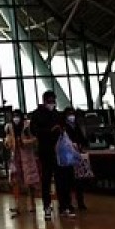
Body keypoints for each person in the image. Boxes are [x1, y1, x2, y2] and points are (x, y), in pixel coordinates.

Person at [30, 90, 74, 220]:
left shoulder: (56, 114)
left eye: (53, 101)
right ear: (44, 101)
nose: (52, 103)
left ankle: (64, 206)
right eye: (49, 101)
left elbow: (63, 128)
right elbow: (34, 131)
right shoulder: (37, 115)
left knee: (61, 179)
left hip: (58, 152)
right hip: (45, 151)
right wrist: (49, 131)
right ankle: (47, 207)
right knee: (46, 180)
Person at [4, 110, 39, 218]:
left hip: (27, 155)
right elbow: (7, 140)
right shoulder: (9, 127)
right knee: (15, 181)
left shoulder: (28, 126)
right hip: (15, 156)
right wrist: (8, 143)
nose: (16, 118)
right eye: (14, 116)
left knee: (30, 181)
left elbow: (35, 139)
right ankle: (17, 204)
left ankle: (32, 203)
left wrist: (25, 142)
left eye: (18, 116)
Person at [61, 107, 90, 212]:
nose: (71, 116)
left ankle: (80, 201)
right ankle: (69, 203)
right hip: (68, 155)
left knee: (79, 180)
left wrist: (83, 145)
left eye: (72, 114)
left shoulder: (76, 126)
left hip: (77, 154)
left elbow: (82, 139)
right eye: (69, 114)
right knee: (69, 180)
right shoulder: (64, 128)